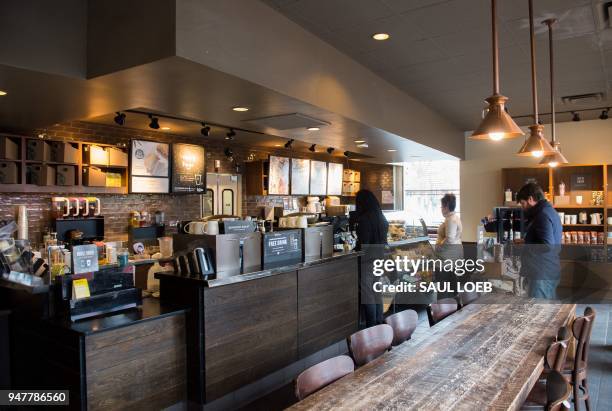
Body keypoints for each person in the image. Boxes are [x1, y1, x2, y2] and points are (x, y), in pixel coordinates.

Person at [516, 182, 562, 299]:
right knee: (546, 310)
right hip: (548, 270)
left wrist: (526, 244)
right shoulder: (548, 211)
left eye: (523, 203)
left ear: (530, 199)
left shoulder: (542, 215)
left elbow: (547, 245)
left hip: (542, 273)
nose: (523, 207)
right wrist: (525, 241)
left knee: (539, 311)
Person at [352, 189, 388, 327]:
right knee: (376, 291)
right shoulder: (381, 217)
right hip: (380, 260)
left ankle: (371, 325)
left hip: (368, 262)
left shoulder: (365, 219)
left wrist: (356, 247)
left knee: (368, 294)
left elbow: (364, 245)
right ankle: (379, 321)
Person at [435, 194, 463, 298]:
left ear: (446, 206)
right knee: (452, 287)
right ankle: (452, 311)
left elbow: (450, 239)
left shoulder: (450, 219)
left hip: (446, 260)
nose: (441, 209)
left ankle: (443, 311)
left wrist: (438, 247)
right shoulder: (454, 217)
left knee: (443, 289)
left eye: (442, 206)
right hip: (453, 258)